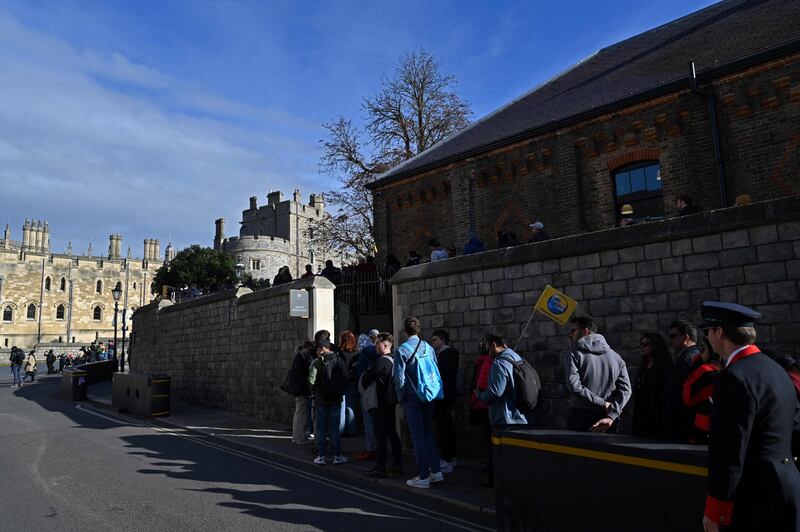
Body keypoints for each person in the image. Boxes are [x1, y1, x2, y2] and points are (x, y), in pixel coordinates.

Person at [699, 301, 800, 531]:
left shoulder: (734, 377)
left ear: (719, 332)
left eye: (708, 331)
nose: (708, 338)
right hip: (786, 486)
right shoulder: (775, 369)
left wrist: (716, 511)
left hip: (755, 496)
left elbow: (729, 450)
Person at [394, 316, 443, 489]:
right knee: (428, 432)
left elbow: (399, 379)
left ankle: (423, 477)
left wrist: (400, 398)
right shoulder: (428, 347)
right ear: (419, 330)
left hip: (412, 396)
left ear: (405, 331)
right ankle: (436, 471)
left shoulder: (402, 350)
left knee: (417, 436)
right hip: (429, 394)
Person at [476, 334, 530, 485]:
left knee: (502, 456)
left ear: (493, 345)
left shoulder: (500, 363)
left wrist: (479, 395)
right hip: (520, 414)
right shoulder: (516, 357)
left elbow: (495, 392)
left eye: (487, 350)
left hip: (505, 416)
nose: (487, 354)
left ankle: (505, 489)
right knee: (515, 456)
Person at [563, 316, 631, 432]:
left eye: (573, 331)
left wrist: (603, 403)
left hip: (580, 417)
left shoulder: (573, 353)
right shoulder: (616, 357)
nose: (570, 335)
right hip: (607, 419)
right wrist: (611, 416)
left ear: (585, 331)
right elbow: (626, 391)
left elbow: (574, 386)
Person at [360, 332, 402, 479]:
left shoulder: (381, 362)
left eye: (377, 343)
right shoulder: (394, 360)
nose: (375, 346)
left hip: (380, 403)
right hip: (390, 402)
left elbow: (366, 379)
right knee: (392, 433)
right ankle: (397, 464)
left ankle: (381, 467)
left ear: (384, 345)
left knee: (381, 436)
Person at [308, 332, 348, 465]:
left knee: (321, 429)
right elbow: (345, 378)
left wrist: (315, 392)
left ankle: (321, 456)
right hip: (336, 399)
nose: (317, 351)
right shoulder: (339, 360)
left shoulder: (317, 362)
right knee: (334, 429)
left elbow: (311, 381)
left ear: (322, 348)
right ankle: (337, 456)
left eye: (318, 349)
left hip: (321, 400)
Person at [663, 320, 701, 442]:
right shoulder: (692, 357)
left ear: (685, 337)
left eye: (673, 336)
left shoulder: (687, 360)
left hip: (682, 425)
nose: (671, 340)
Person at [632, 333, 672, 438]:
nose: (642, 347)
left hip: (656, 417)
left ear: (655, 346)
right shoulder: (644, 366)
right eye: (641, 344)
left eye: (646, 344)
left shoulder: (664, 369)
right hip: (641, 415)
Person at [431, 329, 460, 473]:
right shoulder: (449, 355)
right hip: (448, 395)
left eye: (434, 339)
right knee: (447, 427)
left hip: (442, 396)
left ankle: (447, 460)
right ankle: (452, 458)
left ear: (442, 340)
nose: (433, 342)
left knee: (444, 429)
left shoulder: (444, 356)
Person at [682, 338, 721, 444]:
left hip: (703, 425)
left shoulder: (705, 371)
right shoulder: (730, 366)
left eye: (703, 349)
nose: (700, 353)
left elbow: (688, 398)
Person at [469, 338, 494, 487]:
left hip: (483, 406)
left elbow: (481, 385)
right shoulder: (486, 361)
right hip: (486, 406)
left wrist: (473, 400)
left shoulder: (485, 362)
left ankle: (491, 474)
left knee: (490, 443)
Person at [354, 330, 380, 461]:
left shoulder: (363, 353)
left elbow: (360, 373)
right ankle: (380, 447)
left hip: (366, 391)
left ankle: (371, 448)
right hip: (379, 390)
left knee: (368, 421)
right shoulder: (380, 353)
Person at [290, 341, 314, 444]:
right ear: (305, 348)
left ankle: (296, 437)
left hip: (299, 390)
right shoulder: (300, 359)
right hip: (301, 390)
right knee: (301, 414)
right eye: (309, 349)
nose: (310, 352)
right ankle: (299, 438)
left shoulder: (299, 357)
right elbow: (301, 377)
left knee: (298, 413)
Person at [338, 330, 358, 436]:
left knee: (341, 407)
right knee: (351, 407)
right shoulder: (357, 353)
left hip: (341, 382)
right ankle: (351, 429)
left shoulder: (339, 353)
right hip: (352, 382)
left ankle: (340, 430)